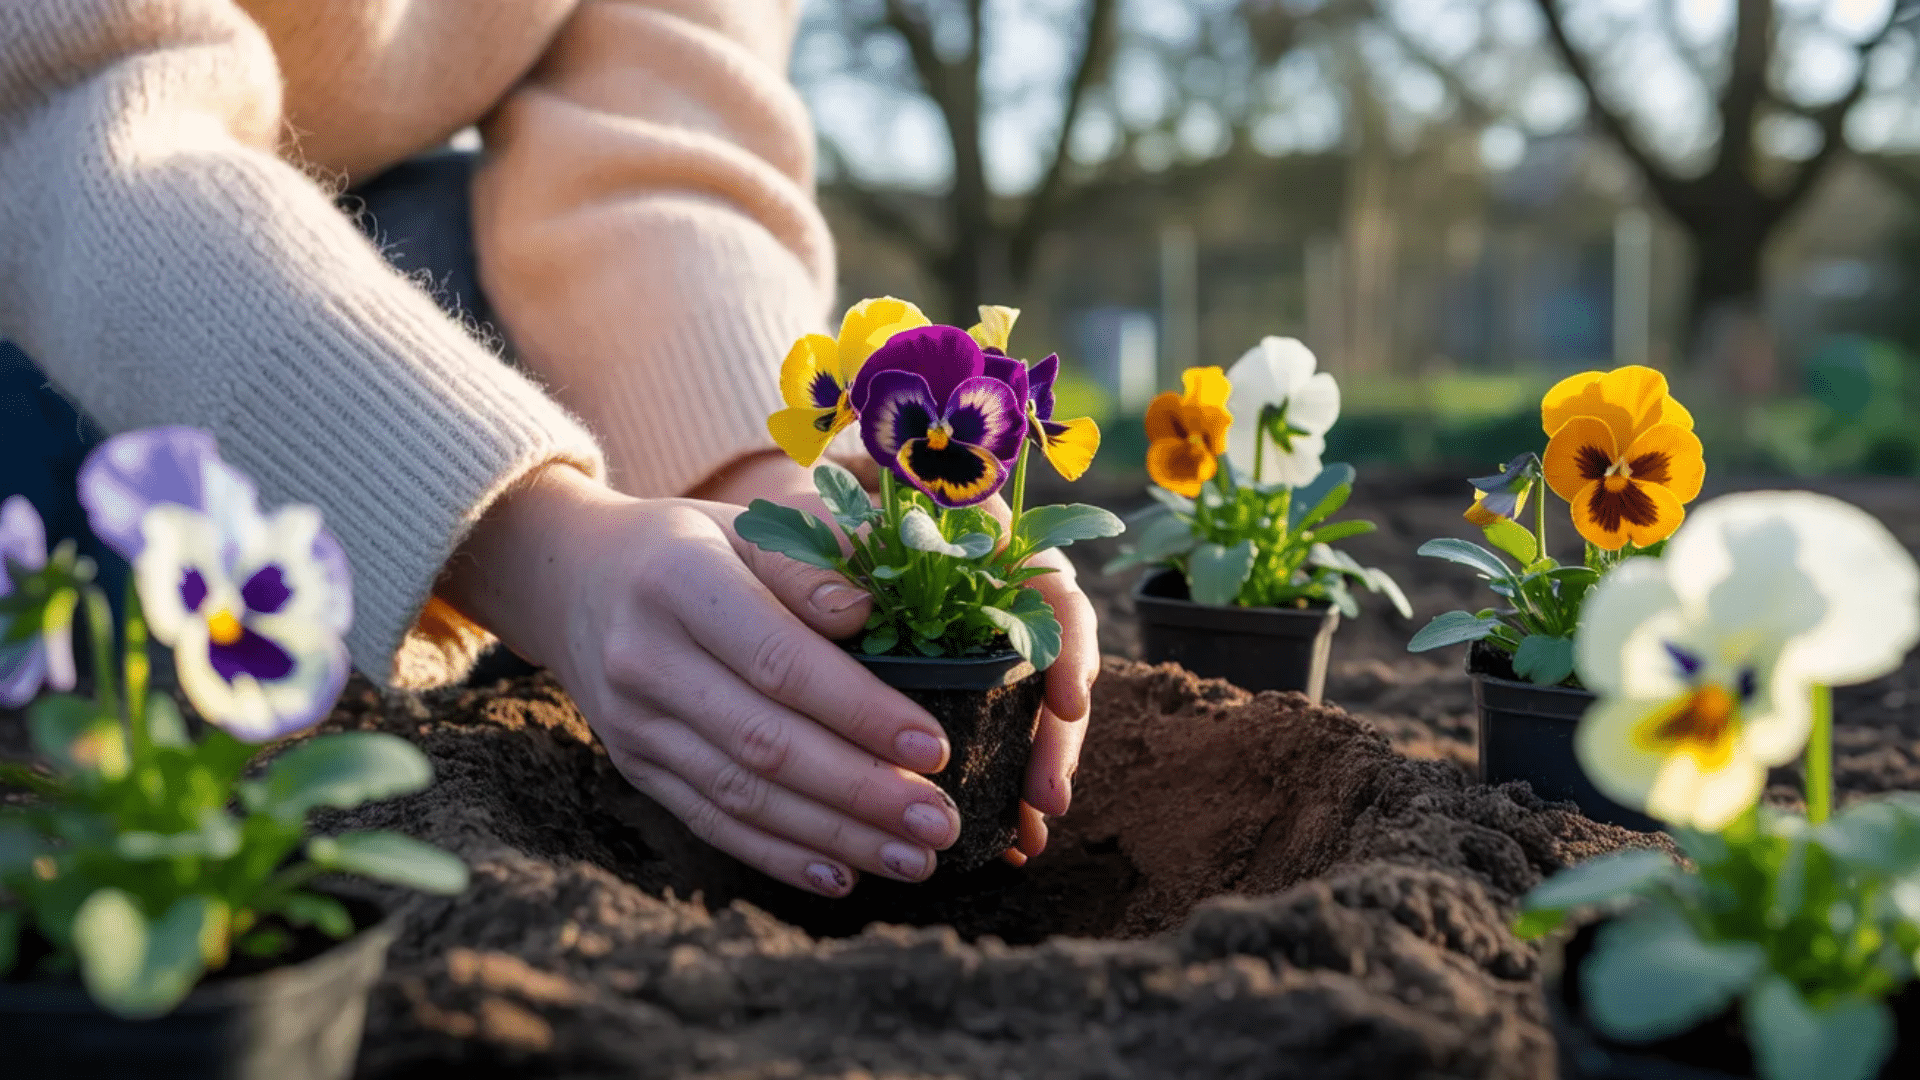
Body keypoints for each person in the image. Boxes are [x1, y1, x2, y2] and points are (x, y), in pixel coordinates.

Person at [0, 1, 1099, 897]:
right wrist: (529, 537)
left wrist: (762, 498)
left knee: (451, 237)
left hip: (352, 238)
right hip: (68, 252)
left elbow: (658, 128)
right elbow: (66, 113)